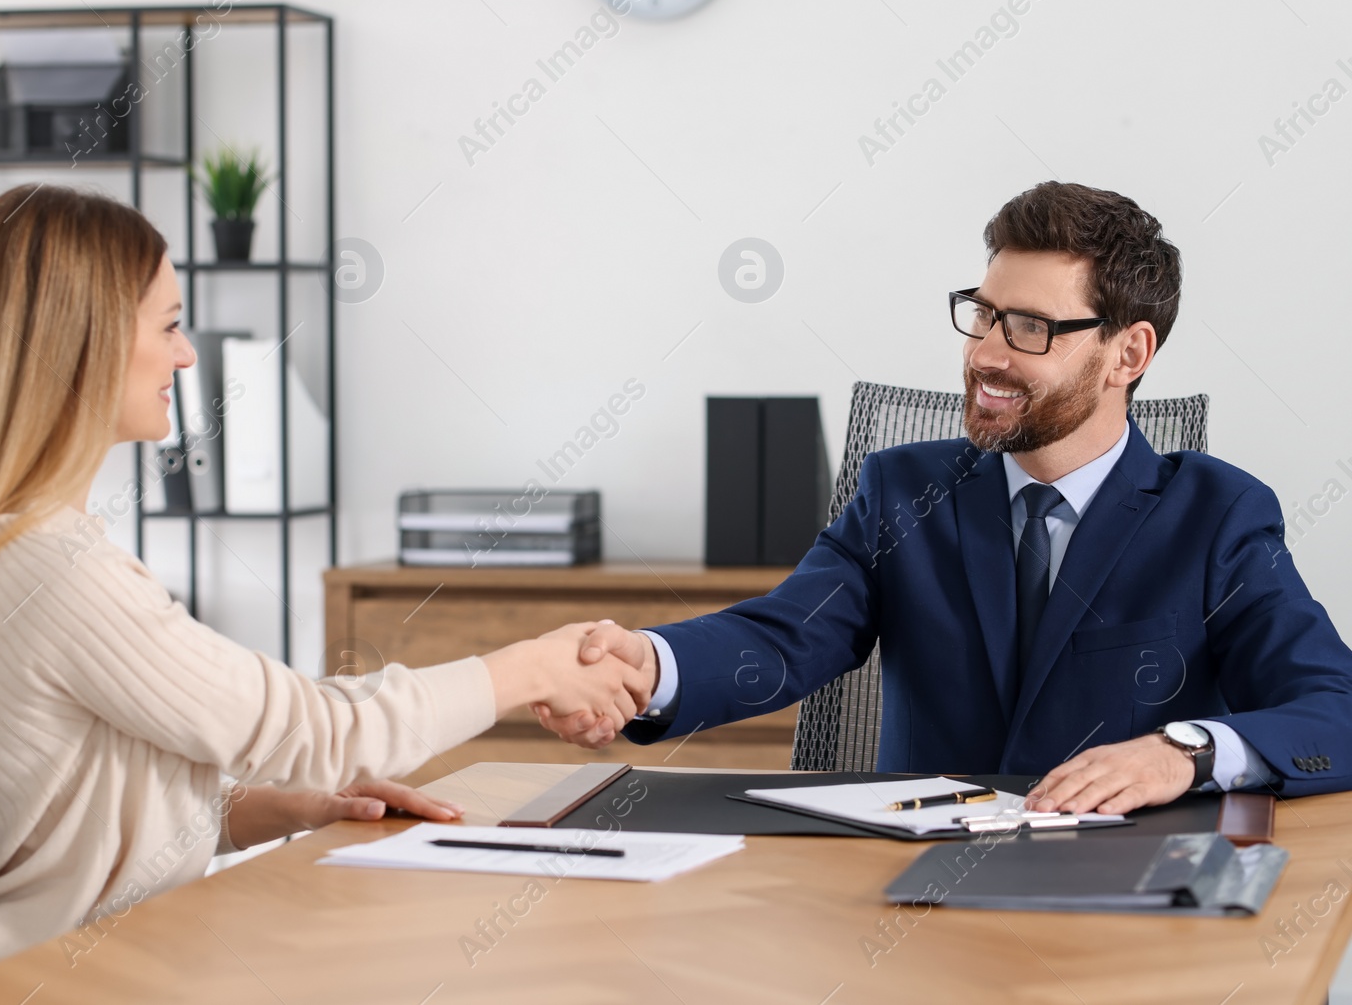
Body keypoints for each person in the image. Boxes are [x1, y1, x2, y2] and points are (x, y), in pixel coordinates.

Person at [0, 184, 643, 975]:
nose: (185, 356)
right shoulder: (51, 570)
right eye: (170, 326)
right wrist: (530, 668)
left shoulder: (7, 549)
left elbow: (75, 810)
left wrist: (283, 808)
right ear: (84, 339)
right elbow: (312, 732)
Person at [539, 181, 1352, 816]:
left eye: (1030, 327)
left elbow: (1335, 711)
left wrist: (1182, 751)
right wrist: (652, 666)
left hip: (1121, 901)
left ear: (1126, 352)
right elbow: (787, 637)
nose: (986, 354)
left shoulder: (1217, 515)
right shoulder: (902, 490)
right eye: (984, 315)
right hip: (911, 894)